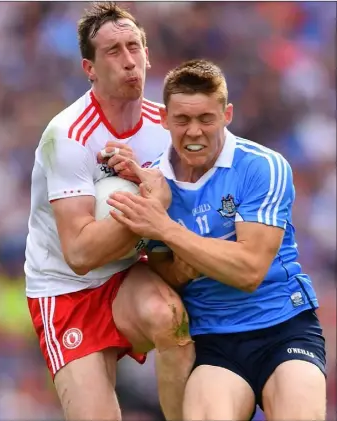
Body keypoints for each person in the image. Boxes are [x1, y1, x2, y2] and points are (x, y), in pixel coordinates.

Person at [106, 59, 327, 421]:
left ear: (227, 114)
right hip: (214, 340)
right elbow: (169, 274)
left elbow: (250, 270)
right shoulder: (151, 183)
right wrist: (186, 264)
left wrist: (167, 229)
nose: (194, 132)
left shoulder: (263, 166)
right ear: (164, 119)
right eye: (182, 120)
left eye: (206, 119)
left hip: (284, 327)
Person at [24, 3, 194, 421]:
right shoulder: (67, 135)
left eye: (134, 46)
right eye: (114, 51)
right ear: (90, 67)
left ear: (148, 54)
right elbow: (80, 255)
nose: (129, 60)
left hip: (124, 275)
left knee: (171, 319)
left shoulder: (166, 127)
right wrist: (150, 201)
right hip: (63, 288)